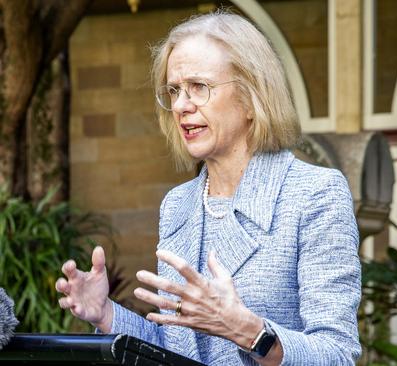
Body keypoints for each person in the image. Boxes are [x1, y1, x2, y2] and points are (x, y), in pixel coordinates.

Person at [55, 11, 361, 366]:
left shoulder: (314, 194)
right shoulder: (177, 204)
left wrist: (249, 332)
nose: (182, 106)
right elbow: (177, 349)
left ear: (251, 96)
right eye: (174, 90)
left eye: (199, 87)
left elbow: (337, 356)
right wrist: (106, 314)